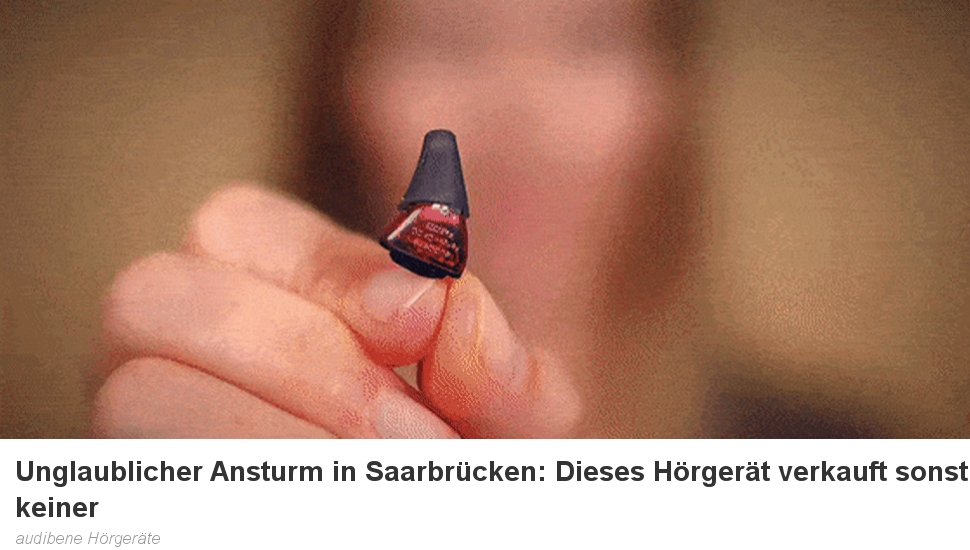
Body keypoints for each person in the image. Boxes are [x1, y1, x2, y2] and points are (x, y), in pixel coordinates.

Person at [90, 0, 970, 438]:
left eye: (591, 38)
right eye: (444, 36)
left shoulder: (846, 459)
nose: (523, 111)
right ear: (339, 92)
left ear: (673, 97)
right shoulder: (226, 439)